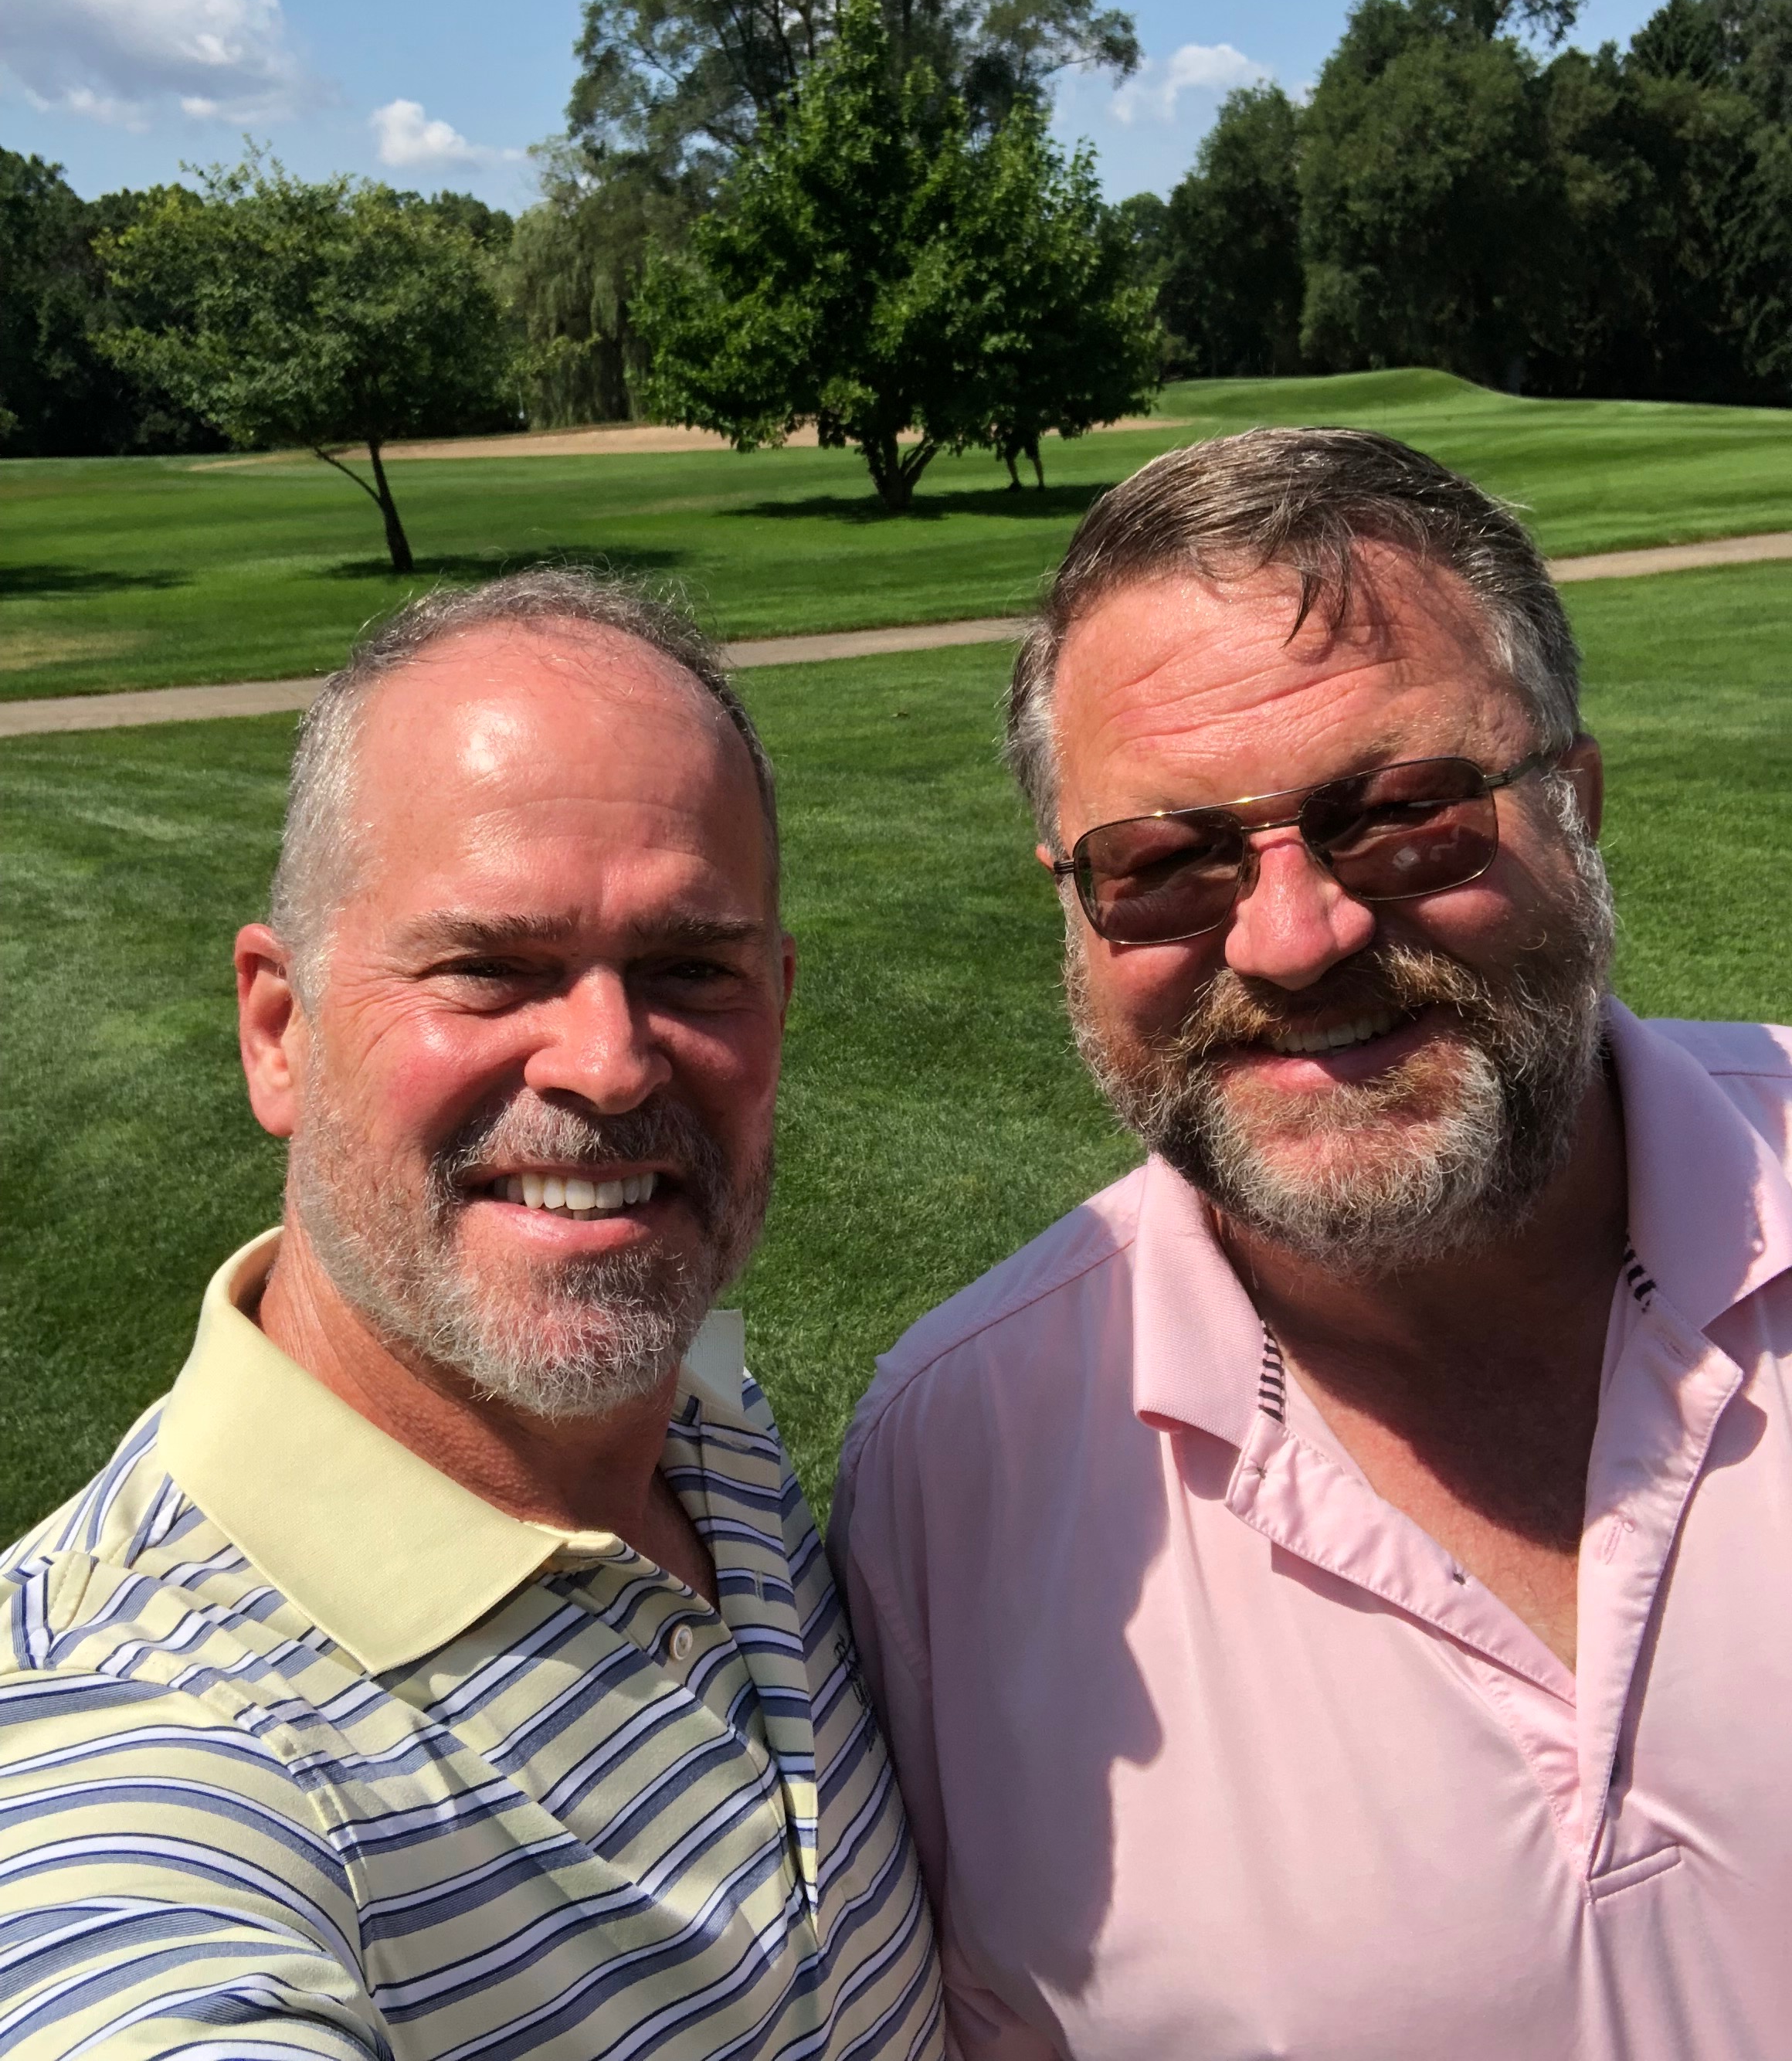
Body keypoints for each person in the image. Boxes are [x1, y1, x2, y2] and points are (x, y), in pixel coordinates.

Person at [830, 429, 1792, 2061]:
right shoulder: (947, 1467)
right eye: (1163, 864)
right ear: (1072, 905)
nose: (1292, 938)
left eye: (1402, 814)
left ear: (1573, 805)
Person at [1, 571, 942, 2060]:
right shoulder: (141, 1731)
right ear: (280, 1029)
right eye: (489, 969)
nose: (610, 1064)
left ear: (779, 996)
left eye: (691, 969)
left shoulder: (692, 1408)